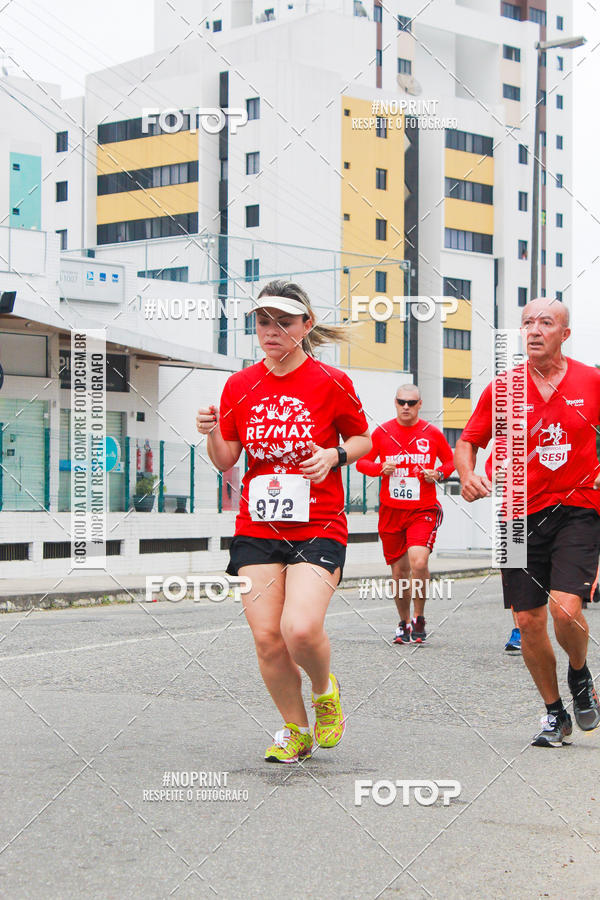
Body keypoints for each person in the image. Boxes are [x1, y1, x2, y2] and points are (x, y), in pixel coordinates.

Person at [196, 280, 371, 763]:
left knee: (298, 627)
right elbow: (226, 457)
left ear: (305, 325)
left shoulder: (331, 382)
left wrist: (334, 455)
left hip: (317, 523)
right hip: (258, 525)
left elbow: (363, 441)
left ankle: (324, 690)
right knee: (268, 638)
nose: (271, 331)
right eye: (262, 321)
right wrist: (211, 433)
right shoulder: (239, 385)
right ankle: (296, 730)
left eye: (284, 322)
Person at [455, 297, 600, 747]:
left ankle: (580, 675)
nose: (534, 329)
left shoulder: (592, 382)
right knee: (528, 619)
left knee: (565, 608)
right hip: (516, 517)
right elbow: (468, 441)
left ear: (565, 333)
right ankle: (555, 713)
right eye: (527, 322)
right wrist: (466, 474)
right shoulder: (503, 387)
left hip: (578, 509)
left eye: (546, 322)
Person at [356, 385, 454, 644]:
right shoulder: (383, 432)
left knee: (419, 562)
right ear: (395, 403)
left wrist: (438, 474)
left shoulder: (431, 433)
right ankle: (403, 622)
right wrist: (380, 468)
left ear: (420, 404)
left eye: (411, 402)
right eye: (402, 402)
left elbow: (450, 460)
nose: (406, 407)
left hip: (422, 510)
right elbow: (362, 462)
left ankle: (419, 617)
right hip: (391, 512)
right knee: (399, 574)